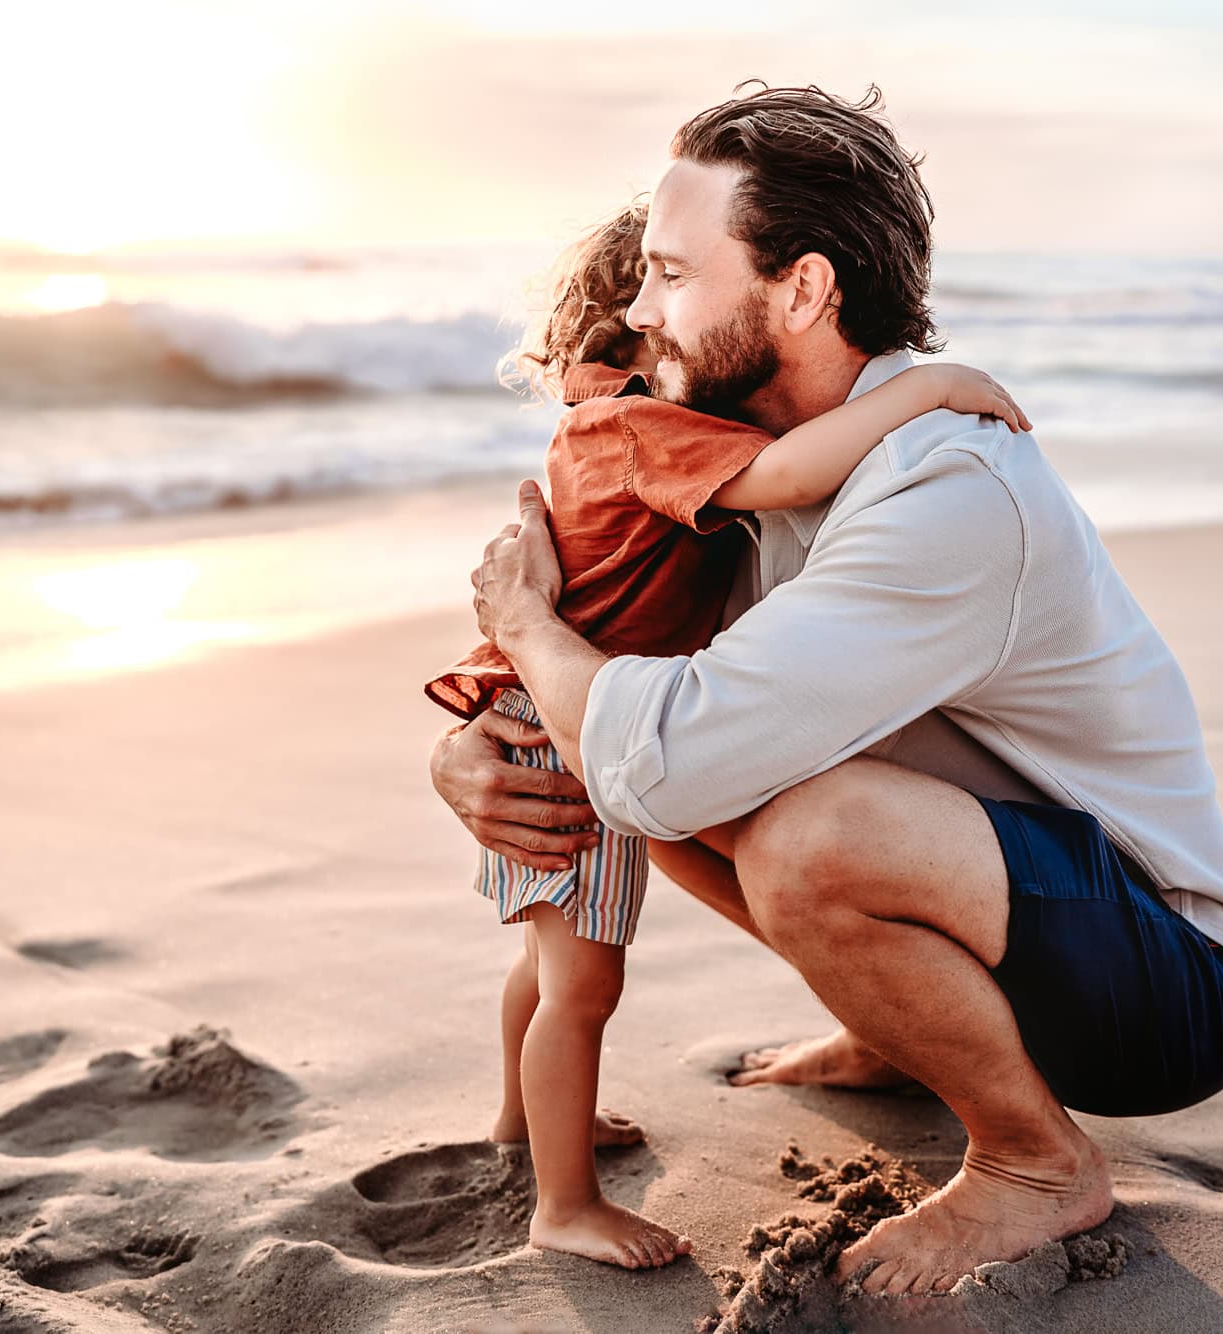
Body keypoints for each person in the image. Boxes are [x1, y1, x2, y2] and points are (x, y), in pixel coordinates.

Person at [437, 81, 1223, 1298]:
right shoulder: (723, 473)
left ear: (801, 289)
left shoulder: (944, 490)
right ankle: (904, 1029)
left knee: (791, 830)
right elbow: (611, 663)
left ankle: (1036, 1159)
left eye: (671, 275)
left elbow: (648, 750)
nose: (633, 308)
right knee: (665, 771)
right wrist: (472, 747)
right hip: (1014, 907)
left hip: (1172, 979)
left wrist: (520, 627)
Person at [424, 200, 1034, 1273]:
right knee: (583, 985)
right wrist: (927, 388)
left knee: (543, 960)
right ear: (645, 330)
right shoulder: (638, 427)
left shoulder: (593, 427)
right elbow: (784, 475)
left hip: (538, 712)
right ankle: (560, 1201)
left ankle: (525, 1123)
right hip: (571, 727)